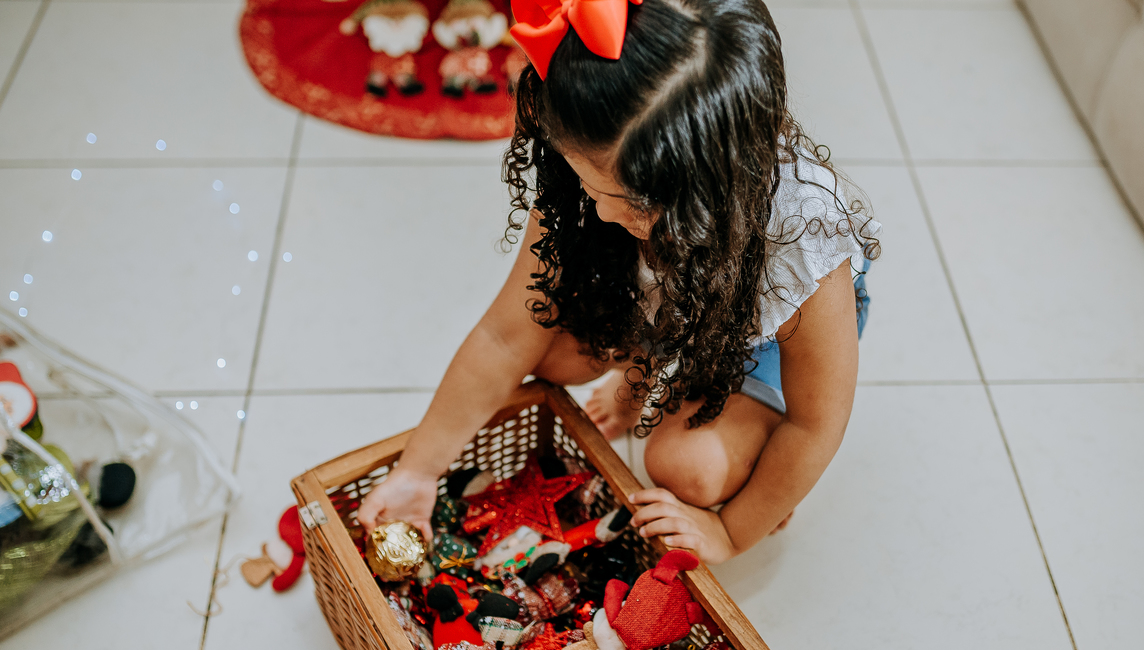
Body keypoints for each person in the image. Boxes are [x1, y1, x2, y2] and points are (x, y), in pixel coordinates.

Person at [357, 0, 881, 564]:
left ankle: (731, 422)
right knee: (558, 358)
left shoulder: (804, 240)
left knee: (689, 471)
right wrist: (419, 469)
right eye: (589, 183)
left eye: (628, 202)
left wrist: (732, 530)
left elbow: (815, 423)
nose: (603, 214)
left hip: (761, 336)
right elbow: (506, 336)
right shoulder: (593, 154)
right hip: (667, 297)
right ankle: (652, 365)